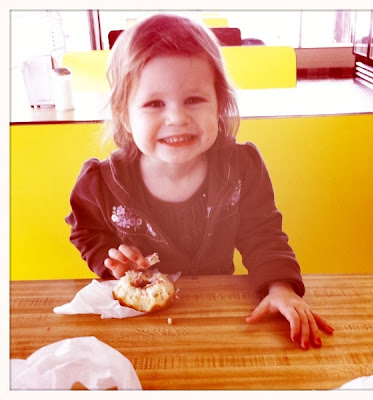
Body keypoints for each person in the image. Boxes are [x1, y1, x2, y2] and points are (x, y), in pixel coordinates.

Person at [66, 13, 333, 350]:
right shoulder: (101, 184)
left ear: (220, 104)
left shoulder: (241, 168)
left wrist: (281, 287)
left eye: (194, 99)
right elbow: (86, 231)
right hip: (140, 329)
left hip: (219, 315)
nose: (177, 117)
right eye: (154, 103)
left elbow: (263, 234)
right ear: (125, 116)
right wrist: (113, 262)